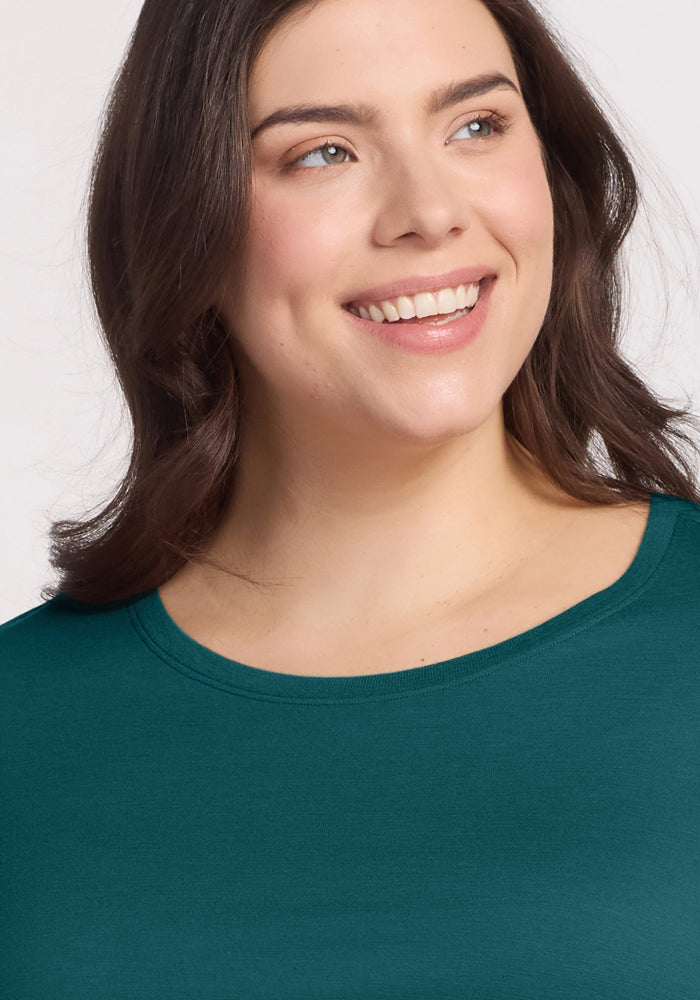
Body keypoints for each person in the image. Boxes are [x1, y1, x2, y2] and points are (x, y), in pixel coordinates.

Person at [2, 0, 699, 995]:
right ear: (185, 216)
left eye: (476, 125)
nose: (428, 210)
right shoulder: (20, 722)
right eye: (322, 152)